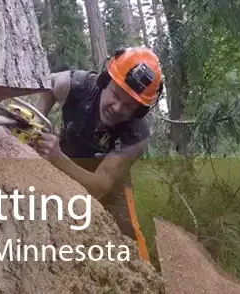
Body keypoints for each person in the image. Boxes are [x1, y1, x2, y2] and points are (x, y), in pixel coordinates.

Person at [31, 46, 164, 263]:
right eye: (115, 95)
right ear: (104, 81)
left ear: (138, 111)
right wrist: (37, 121)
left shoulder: (137, 134)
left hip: (108, 184)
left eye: (128, 106)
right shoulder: (80, 84)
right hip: (67, 158)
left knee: (129, 238)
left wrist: (57, 158)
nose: (117, 107)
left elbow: (100, 186)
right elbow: (49, 85)